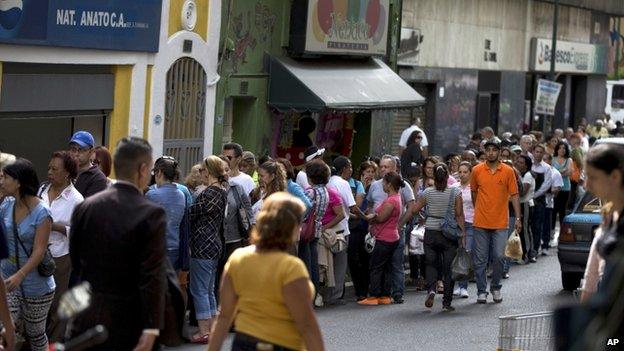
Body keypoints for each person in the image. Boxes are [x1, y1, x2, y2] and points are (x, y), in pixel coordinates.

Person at [69, 137, 167, 351]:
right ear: (142, 169)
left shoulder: (85, 207)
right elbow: (152, 274)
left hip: (89, 313)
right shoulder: (151, 213)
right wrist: (152, 327)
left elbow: (76, 261)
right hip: (130, 319)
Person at [208, 192, 324, 351]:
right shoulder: (290, 267)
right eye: (300, 222)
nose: (301, 227)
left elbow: (224, 316)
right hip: (282, 344)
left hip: (243, 343)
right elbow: (307, 326)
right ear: (291, 226)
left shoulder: (238, 258)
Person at [1, 159, 56, 351]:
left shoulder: (42, 212)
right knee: (3, 328)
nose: (2, 181)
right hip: (7, 281)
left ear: (18, 182)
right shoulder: (7, 205)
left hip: (35, 286)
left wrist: (21, 275)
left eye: (5, 177)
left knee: (35, 333)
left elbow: (40, 250)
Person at [39, 151, 84, 341]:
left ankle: (54, 343)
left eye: (54, 169)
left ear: (67, 173)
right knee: (35, 301)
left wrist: (54, 226)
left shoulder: (76, 199)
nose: (49, 172)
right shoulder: (42, 190)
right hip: (37, 252)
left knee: (57, 305)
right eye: (49, 168)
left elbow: (79, 232)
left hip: (60, 256)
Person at [470, 139, 521, 304]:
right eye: (488, 150)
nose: (491, 152)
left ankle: (496, 287)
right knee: (480, 259)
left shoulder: (507, 171)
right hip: (480, 221)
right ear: (484, 152)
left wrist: (518, 218)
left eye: (494, 150)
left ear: (499, 152)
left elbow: (514, 195)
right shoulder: (477, 170)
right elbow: (474, 194)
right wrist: (480, 210)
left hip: (500, 222)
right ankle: (481, 291)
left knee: (499, 257)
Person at [411, 164, 465, 311]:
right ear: (448, 177)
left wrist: (423, 216)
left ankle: (431, 290)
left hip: (431, 232)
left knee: (431, 264)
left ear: (433, 177)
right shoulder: (455, 192)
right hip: (449, 234)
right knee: (449, 268)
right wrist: (463, 235)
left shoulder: (427, 192)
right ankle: (446, 302)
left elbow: (415, 209)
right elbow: (459, 214)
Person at [187, 155, 228, 344]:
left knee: (199, 290)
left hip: (202, 245)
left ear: (210, 172)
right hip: (214, 244)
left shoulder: (209, 193)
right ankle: (211, 329)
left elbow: (191, 213)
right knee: (209, 289)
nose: (200, 173)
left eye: (202, 170)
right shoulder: (222, 191)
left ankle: (204, 331)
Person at [366, 155, 416, 304]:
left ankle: (397, 293)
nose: (382, 169)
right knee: (383, 265)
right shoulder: (375, 185)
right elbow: (370, 204)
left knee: (395, 263)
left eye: (386, 167)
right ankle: (383, 293)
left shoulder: (402, 187)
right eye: (381, 166)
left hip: (394, 231)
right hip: (378, 233)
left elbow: (411, 207)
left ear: (394, 169)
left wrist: (399, 224)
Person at [327, 156, 368, 305]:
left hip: (327, 228)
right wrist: (365, 217)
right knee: (340, 264)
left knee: (328, 263)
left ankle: (326, 294)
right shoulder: (343, 183)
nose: (351, 170)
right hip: (341, 229)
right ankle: (336, 296)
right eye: (350, 166)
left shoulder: (329, 181)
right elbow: (352, 207)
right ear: (344, 168)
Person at [358, 172, 403, 306]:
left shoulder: (391, 200)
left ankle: (374, 296)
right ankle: (385, 295)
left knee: (376, 267)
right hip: (392, 236)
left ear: (389, 184)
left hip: (385, 237)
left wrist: (370, 217)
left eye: (384, 183)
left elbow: (381, 218)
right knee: (386, 267)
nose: (382, 185)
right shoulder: (396, 197)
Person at [215, 157, 254, 303]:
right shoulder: (208, 189)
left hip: (234, 239)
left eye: (227, 169)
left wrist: (251, 227)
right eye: (222, 169)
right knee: (215, 278)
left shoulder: (237, 188)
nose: (225, 173)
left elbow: (248, 209)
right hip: (215, 239)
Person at [145, 156, 187, 271]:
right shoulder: (181, 195)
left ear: (159, 173)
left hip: (156, 248)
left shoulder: (152, 195)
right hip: (175, 248)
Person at [454, 162, 474, 299]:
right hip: (456, 224)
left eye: (465, 172)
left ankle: (463, 286)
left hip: (471, 223)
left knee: (467, 252)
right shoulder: (454, 188)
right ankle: (455, 284)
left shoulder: (475, 188)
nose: (462, 174)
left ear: (470, 173)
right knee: (456, 253)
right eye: (460, 172)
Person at [68, 131, 108, 198]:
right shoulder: (65, 171)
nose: (76, 154)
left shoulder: (97, 178)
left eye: (81, 150)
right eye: (73, 149)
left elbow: (89, 206)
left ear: (91, 151)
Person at [530, 144, 553, 260]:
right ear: (533, 152)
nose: (538, 154)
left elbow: (546, 185)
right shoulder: (529, 165)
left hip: (539, 200)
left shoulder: (546, 168)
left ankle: (534, 250)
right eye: (536, 151)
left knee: (537, 225)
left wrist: (534, 195)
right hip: (526, 199)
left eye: (540, 152)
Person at [513, 155, 535, 262]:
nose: (518, 164)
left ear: (526, 165)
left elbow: (522, 193)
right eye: (518, 162)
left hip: (526, 204)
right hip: (521, 204)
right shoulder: (521, 175)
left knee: (525, 229)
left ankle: (528, 253)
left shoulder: (528, 175)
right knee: (521, 230)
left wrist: (516, 179)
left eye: (521, 163)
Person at [552, 141, 572, 231]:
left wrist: (557, 172)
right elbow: (551, 173)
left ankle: (562, 231)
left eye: (564, 148)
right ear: (557, 149)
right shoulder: (552, 159)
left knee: (562, 210)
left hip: (565, 187)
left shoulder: (569, 160)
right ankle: (551, 231)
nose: (562, 150)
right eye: (560, 148)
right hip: (554, 187)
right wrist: (562, 171)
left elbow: (569, 173)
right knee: (554, 209)